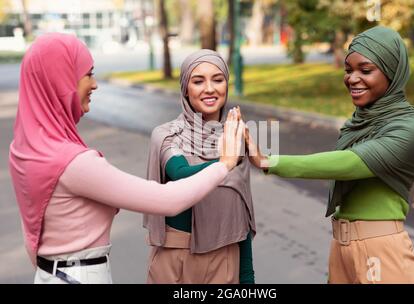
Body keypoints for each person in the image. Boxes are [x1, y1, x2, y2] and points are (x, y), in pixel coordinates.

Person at [8, 33, 244, 284]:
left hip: (47, 274)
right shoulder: (73, 163)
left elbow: (32, 229)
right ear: (61, 80)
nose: (95, 84)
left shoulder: (24, 151)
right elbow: (169, 199)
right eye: (88, 74)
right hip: (80, 275)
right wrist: (224, 164)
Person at [244, 26, 414, 284]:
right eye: (348, 70)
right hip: (341, 247)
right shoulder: (359, 122)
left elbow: (352, 162)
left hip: (380, 251)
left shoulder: (413, 127)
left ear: (392, 72)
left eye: (365, 70)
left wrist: (269, 161)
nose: (353, 78)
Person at [144, 49, 256, 284]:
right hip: (176, 262)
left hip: (226, 261)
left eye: (218, 79)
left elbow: (241, 218)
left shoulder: (234, 138)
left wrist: (247, 279)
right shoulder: (167, 135)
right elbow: (181, 175)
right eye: (198, 81)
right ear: (185, 88)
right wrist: (226, 161)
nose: (209, 89)